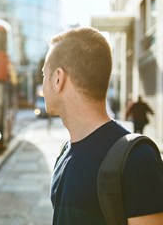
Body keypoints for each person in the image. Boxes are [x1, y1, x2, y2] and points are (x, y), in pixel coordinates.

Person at [42, 27, 163, 225]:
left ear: (58, 78)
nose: (43, 86)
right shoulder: (66, 151)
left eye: (44, 75)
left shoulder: (137, 159)